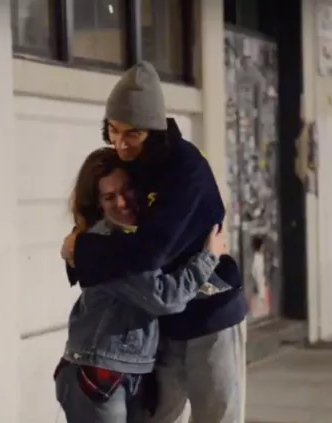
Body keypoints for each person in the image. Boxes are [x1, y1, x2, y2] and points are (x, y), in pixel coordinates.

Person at [61, 61, 248, 423]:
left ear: (154, 129)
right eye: (113, 130)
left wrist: (79, 251)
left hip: (210, 313)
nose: (120, 143)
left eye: (132, 133)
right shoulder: (130, 163)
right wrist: (81, 246)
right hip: (160, 326)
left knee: (217, 414)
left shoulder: (185, 169)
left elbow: (149, 252)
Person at [55, 147, 233, 423]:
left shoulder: (137, 238)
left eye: (127, 190)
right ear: (97, 203)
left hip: (125, 372)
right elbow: (164, 298)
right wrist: (208, 256)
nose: (123, 202)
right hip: (97, 372)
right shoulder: (105, 244)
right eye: (109, 196)